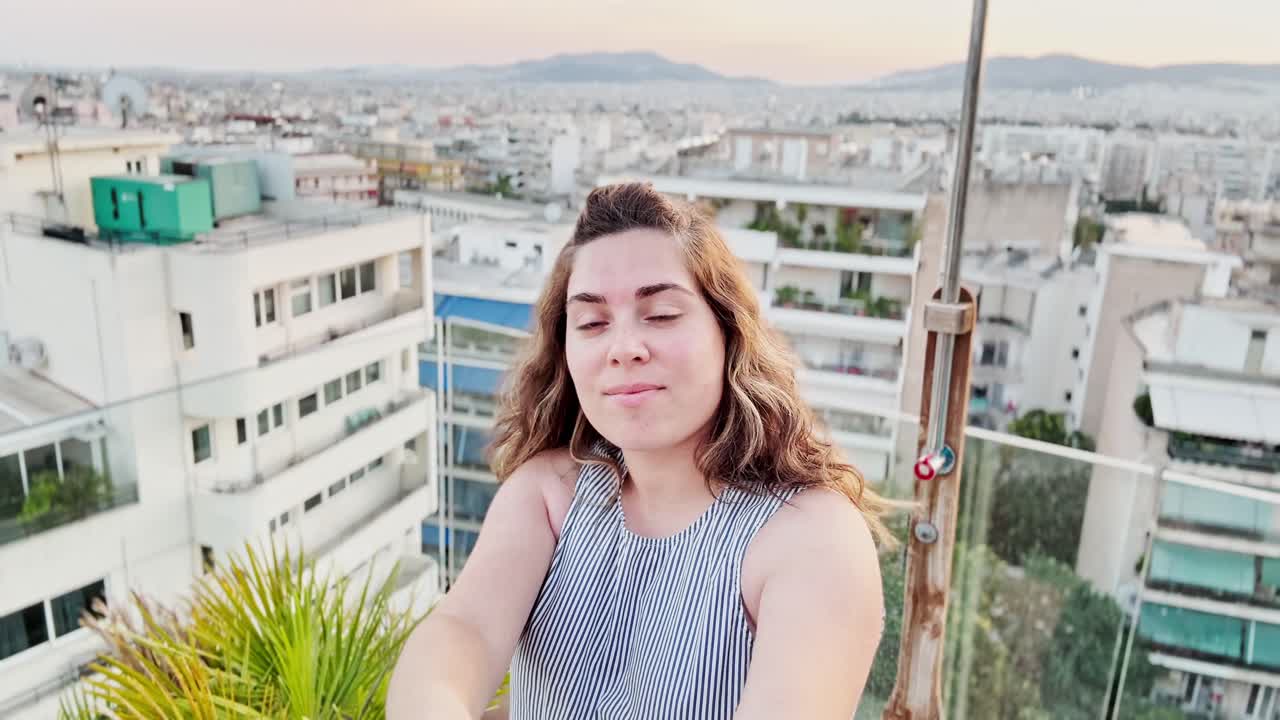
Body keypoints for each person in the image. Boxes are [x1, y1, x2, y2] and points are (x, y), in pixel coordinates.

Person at [388, 182, 896, 719]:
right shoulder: (552, 493)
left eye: (662, 314)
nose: (624, 348)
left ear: (728, 332)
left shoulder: (809, 537)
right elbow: (464, 630)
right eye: (592, 323)